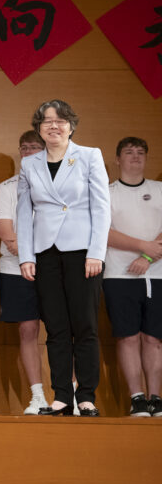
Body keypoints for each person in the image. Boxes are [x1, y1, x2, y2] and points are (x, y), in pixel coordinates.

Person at [17, 99, 110, 417]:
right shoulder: (30, 164)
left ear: (71, 125)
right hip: (45, 253)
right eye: (47, 121)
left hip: (83, 253)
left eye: (60, 120)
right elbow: (23, 213)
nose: (54, 126)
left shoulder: (89, 156)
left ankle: (86, 396)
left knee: (85, 325)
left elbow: (101, 208)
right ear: (38, 128)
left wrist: (96, 252)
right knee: (55, 327)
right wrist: (26, 256)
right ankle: (61, 396)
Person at [103, 137, 162, 417]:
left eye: (140, 152)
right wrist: (142, 247)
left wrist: (148, 257)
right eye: (129, 152)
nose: (135, 156)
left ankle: (156, 398)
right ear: (118, 159)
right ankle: (137, 397)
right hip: (119, 275)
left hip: (157, 275)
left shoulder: (159, 190)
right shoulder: (106, 193)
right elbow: (103, 233)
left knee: (153, 339)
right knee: (128, 337)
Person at [0, 130, 48, 414]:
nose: (28, 152)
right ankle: (38, 396)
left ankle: (71, 394)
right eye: (24, 148)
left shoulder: (58, 184)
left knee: (63, 331)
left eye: (34, 147)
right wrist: (36, 254)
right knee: (27, 330)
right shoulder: (6, 188)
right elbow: (7, 235)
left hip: (53, 271)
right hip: (15, 270)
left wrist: (47, 257)